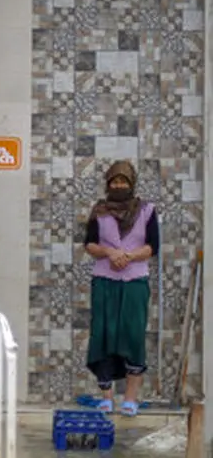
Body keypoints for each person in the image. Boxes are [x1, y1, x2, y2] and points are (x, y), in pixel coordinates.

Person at [83, 160, 158, 417]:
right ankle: (106, 397)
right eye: (115, 181)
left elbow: (152, 246)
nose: (119, 185)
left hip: (135, 282)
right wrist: (108, 252)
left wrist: (128, 256)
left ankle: (130, 399)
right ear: (108, 183)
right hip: (104, 282)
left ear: (131, 183)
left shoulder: (147, 211)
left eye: (123, 181)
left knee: (133, 336)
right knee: (103, 335)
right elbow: (90, 244)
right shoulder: (99, 211)